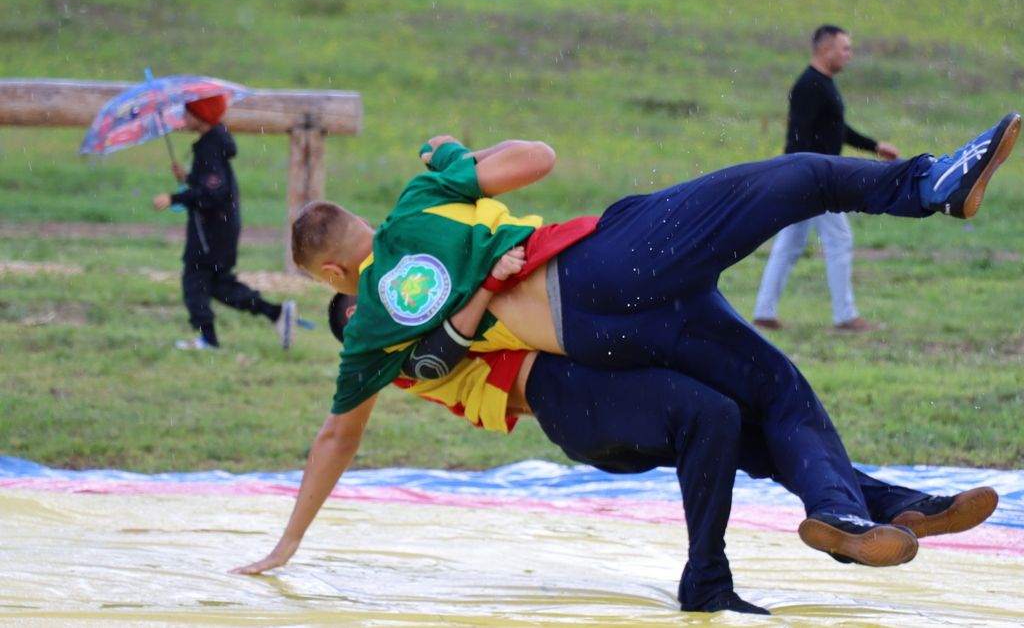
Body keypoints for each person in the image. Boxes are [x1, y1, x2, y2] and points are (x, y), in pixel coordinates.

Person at [232, 113, 1019, 613]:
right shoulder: (417, 204)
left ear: (330, 276)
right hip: (596, 276)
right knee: (803, 177)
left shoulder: (375, 332)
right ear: (361, 230)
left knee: (772, 395)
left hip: (596, 339)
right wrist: (453, 159)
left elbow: (345, 429)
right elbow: (538, 155)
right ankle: (931, 184)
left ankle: (853, 511)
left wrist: (287, 543)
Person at [753, 25, 901, 333]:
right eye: (844, 48)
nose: (849, 54)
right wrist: (803, 176)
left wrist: (874, 146)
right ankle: (845, 316)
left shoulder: (822, 84)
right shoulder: (810, 85)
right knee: (839, 239)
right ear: (825, 50)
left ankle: (764, 311)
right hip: (814, 179)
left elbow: (838, 129)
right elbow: (799, 136)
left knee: (790, 243)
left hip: (808, 177)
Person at [152, 94, 297, 350]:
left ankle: (208, 340)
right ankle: (275, 313)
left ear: (202, 117)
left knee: (194, 283)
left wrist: (174, 197)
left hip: (212, 233)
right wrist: (187, 178)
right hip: (220, 229)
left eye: (188, 113)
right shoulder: (212, 144)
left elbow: (212, 194)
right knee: (219, 285)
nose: (183, 119)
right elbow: (212, 185)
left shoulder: (210, 147)